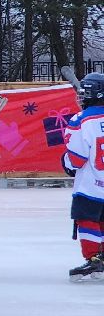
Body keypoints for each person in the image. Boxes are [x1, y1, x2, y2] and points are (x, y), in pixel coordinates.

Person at [62, 72, 104, 281]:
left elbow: (76, 159)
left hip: (90, 185)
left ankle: (94, 257)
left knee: (87, 219)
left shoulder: (81, 120)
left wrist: (66, 162)